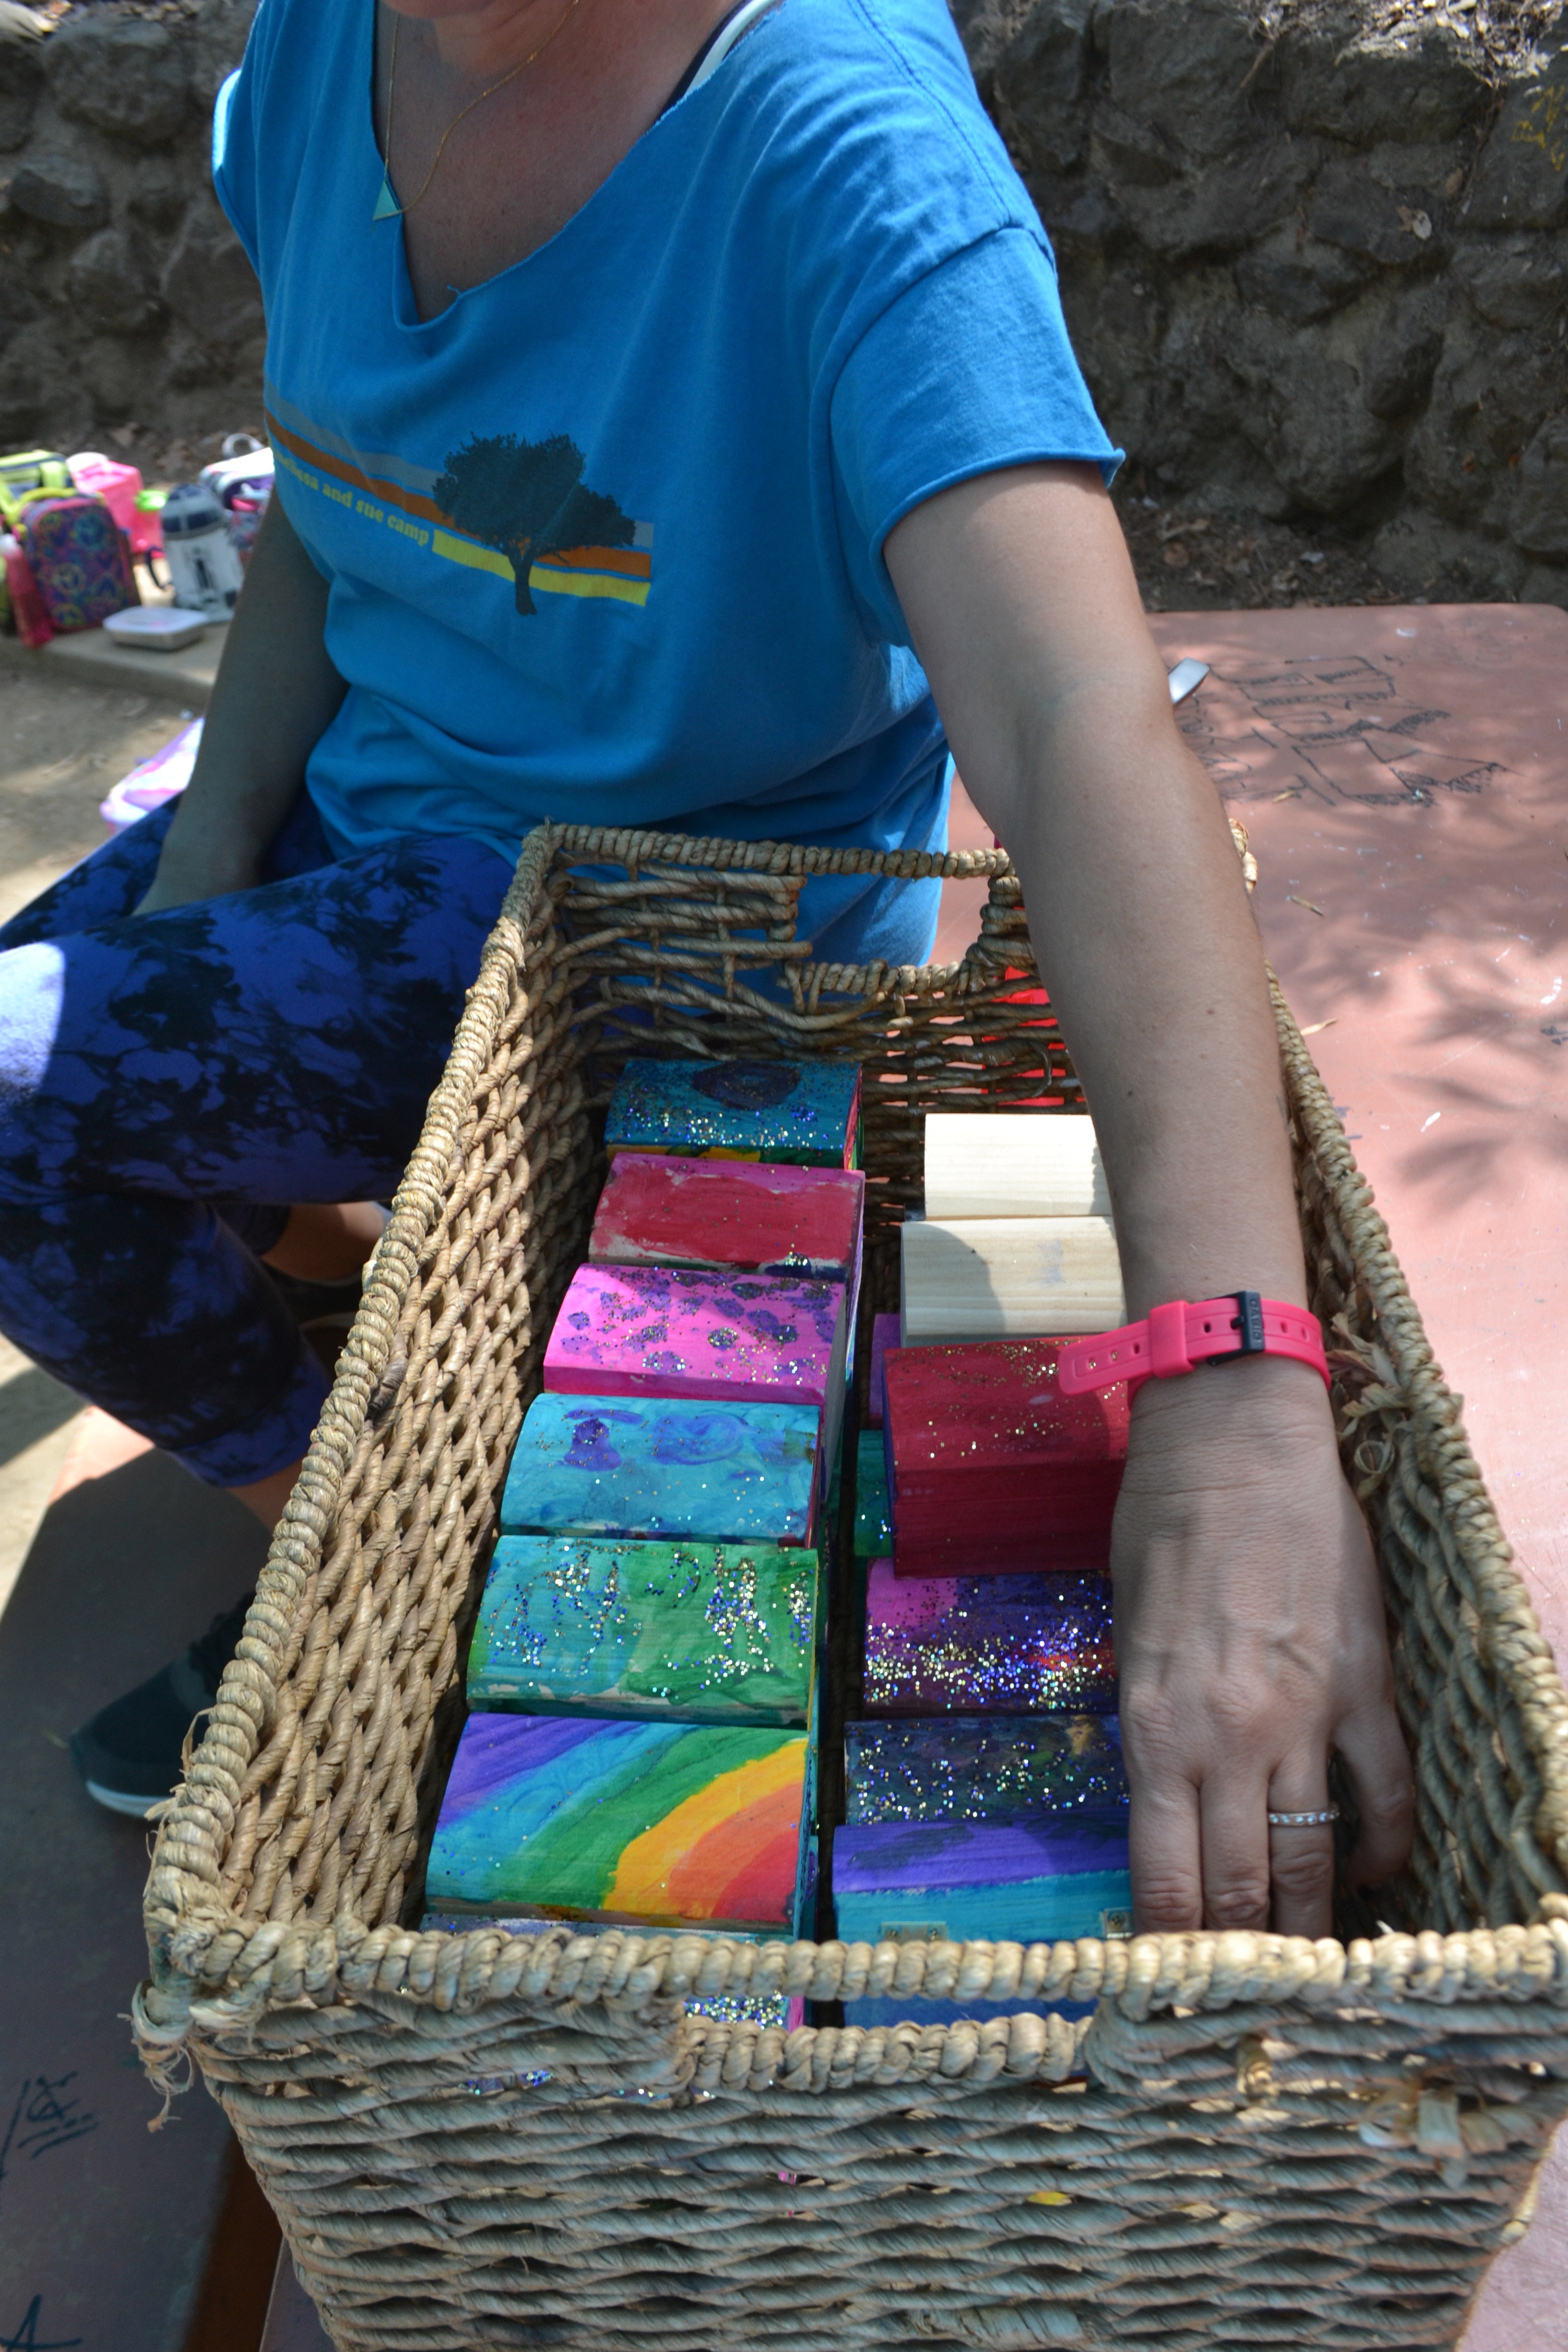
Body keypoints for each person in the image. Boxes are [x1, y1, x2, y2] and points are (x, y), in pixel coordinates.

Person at [0, 0, 1413, 1933]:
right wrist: (209, 859)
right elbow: (339, 493)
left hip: (666, 930)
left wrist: (1237, 1409)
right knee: (60, 1078)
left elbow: (1078, 715)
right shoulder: (324, 39)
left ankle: (419, 1591)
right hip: (372, 818)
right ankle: (385, 1542)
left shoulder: (843, 152)